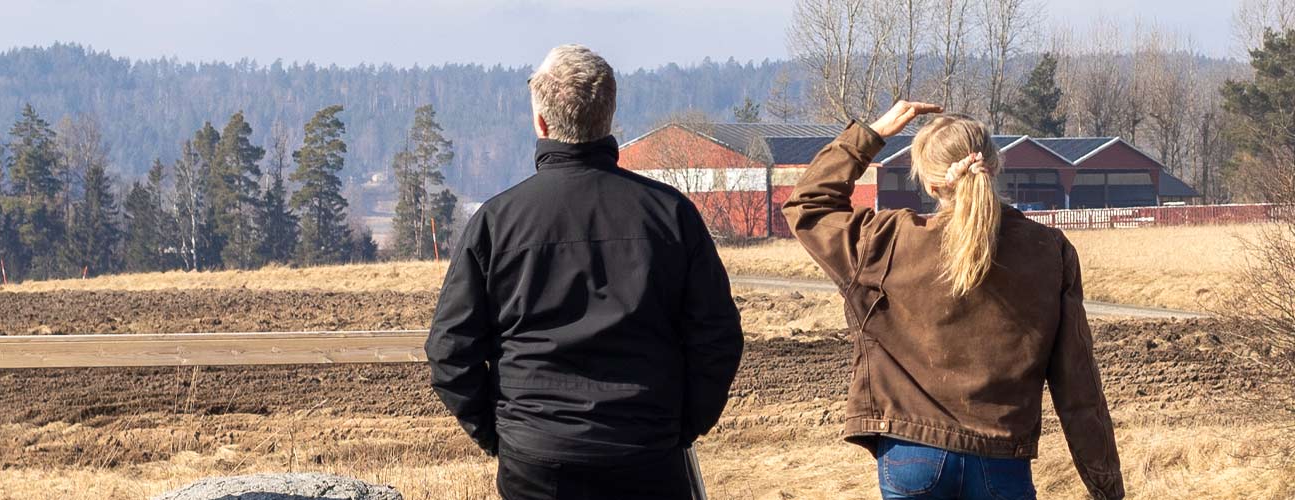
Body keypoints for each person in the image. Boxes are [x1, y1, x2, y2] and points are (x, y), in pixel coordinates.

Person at [426, 44, 745, 500]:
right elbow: (718, 338)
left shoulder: (498, 222)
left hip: (538, 457)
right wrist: (681, 427)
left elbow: (449, 350)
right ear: (609, 118)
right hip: (647, 450)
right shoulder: (671, 215)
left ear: (541, 123)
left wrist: (503, 436)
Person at [783, 102, 1124, 500]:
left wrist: (872, 134)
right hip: (1002, 460)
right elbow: (1078, 385)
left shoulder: (888, 241)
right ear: (995, 167)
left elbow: (808, 205)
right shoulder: (1049, 250)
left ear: (929, 184)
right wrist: (1105, 486)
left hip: (910, 454)